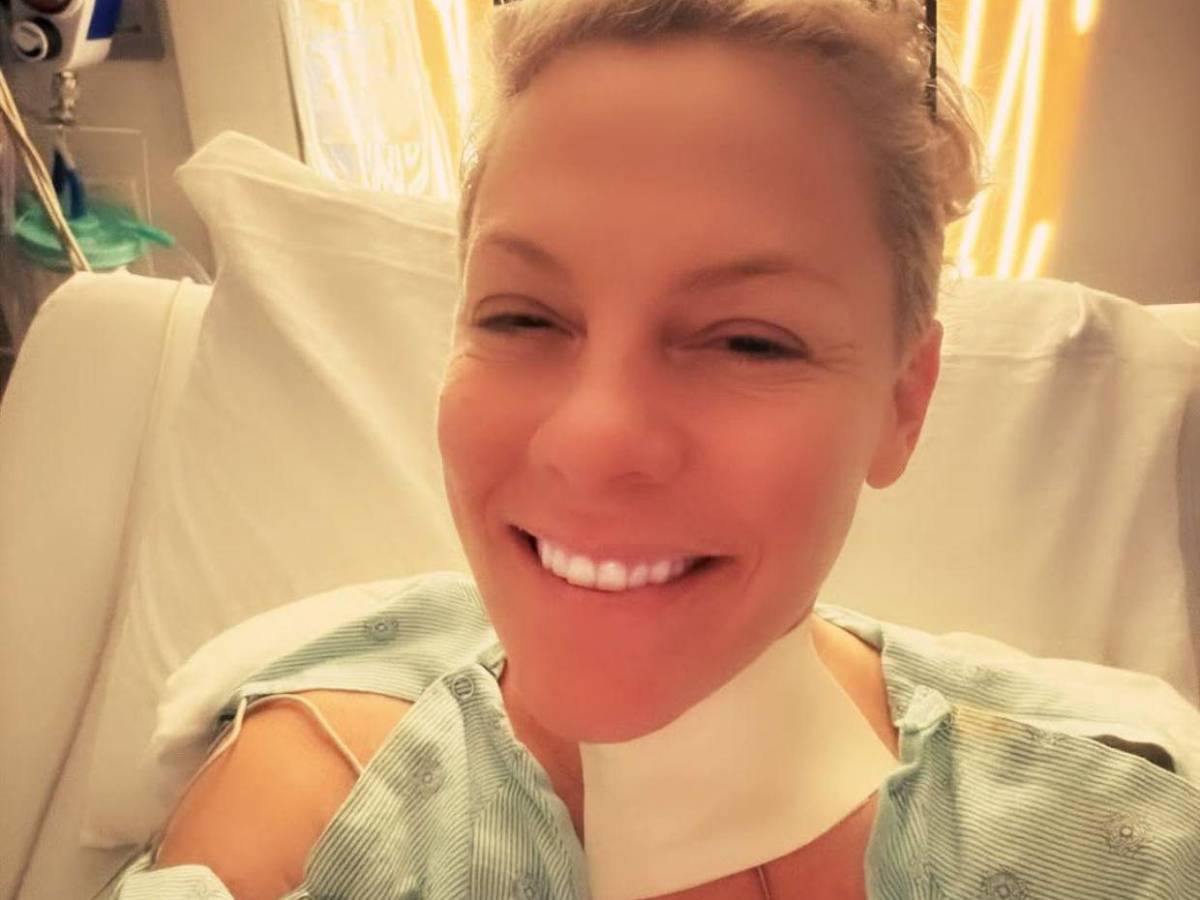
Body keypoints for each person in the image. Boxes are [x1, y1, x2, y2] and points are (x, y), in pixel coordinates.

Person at [107, 1, 1200, 898]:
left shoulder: (1111, 832)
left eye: (747, 339)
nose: (593, 443)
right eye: (522, 317)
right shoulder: (319, 817)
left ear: (901, 405)